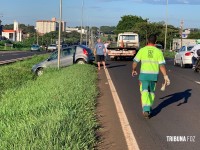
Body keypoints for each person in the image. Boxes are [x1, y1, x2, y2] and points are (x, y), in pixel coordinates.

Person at [132, 34, 170, 119]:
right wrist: (165, 76)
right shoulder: (158, 52)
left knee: (144, 91)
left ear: (147, 41)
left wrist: (134, 70)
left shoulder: (142, 50)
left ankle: (146, 109)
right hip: (153, 76)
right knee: (151, 92)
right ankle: (148, 108)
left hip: (143, 76)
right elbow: (162, 66)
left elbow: (135, 62)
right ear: (155, 42)